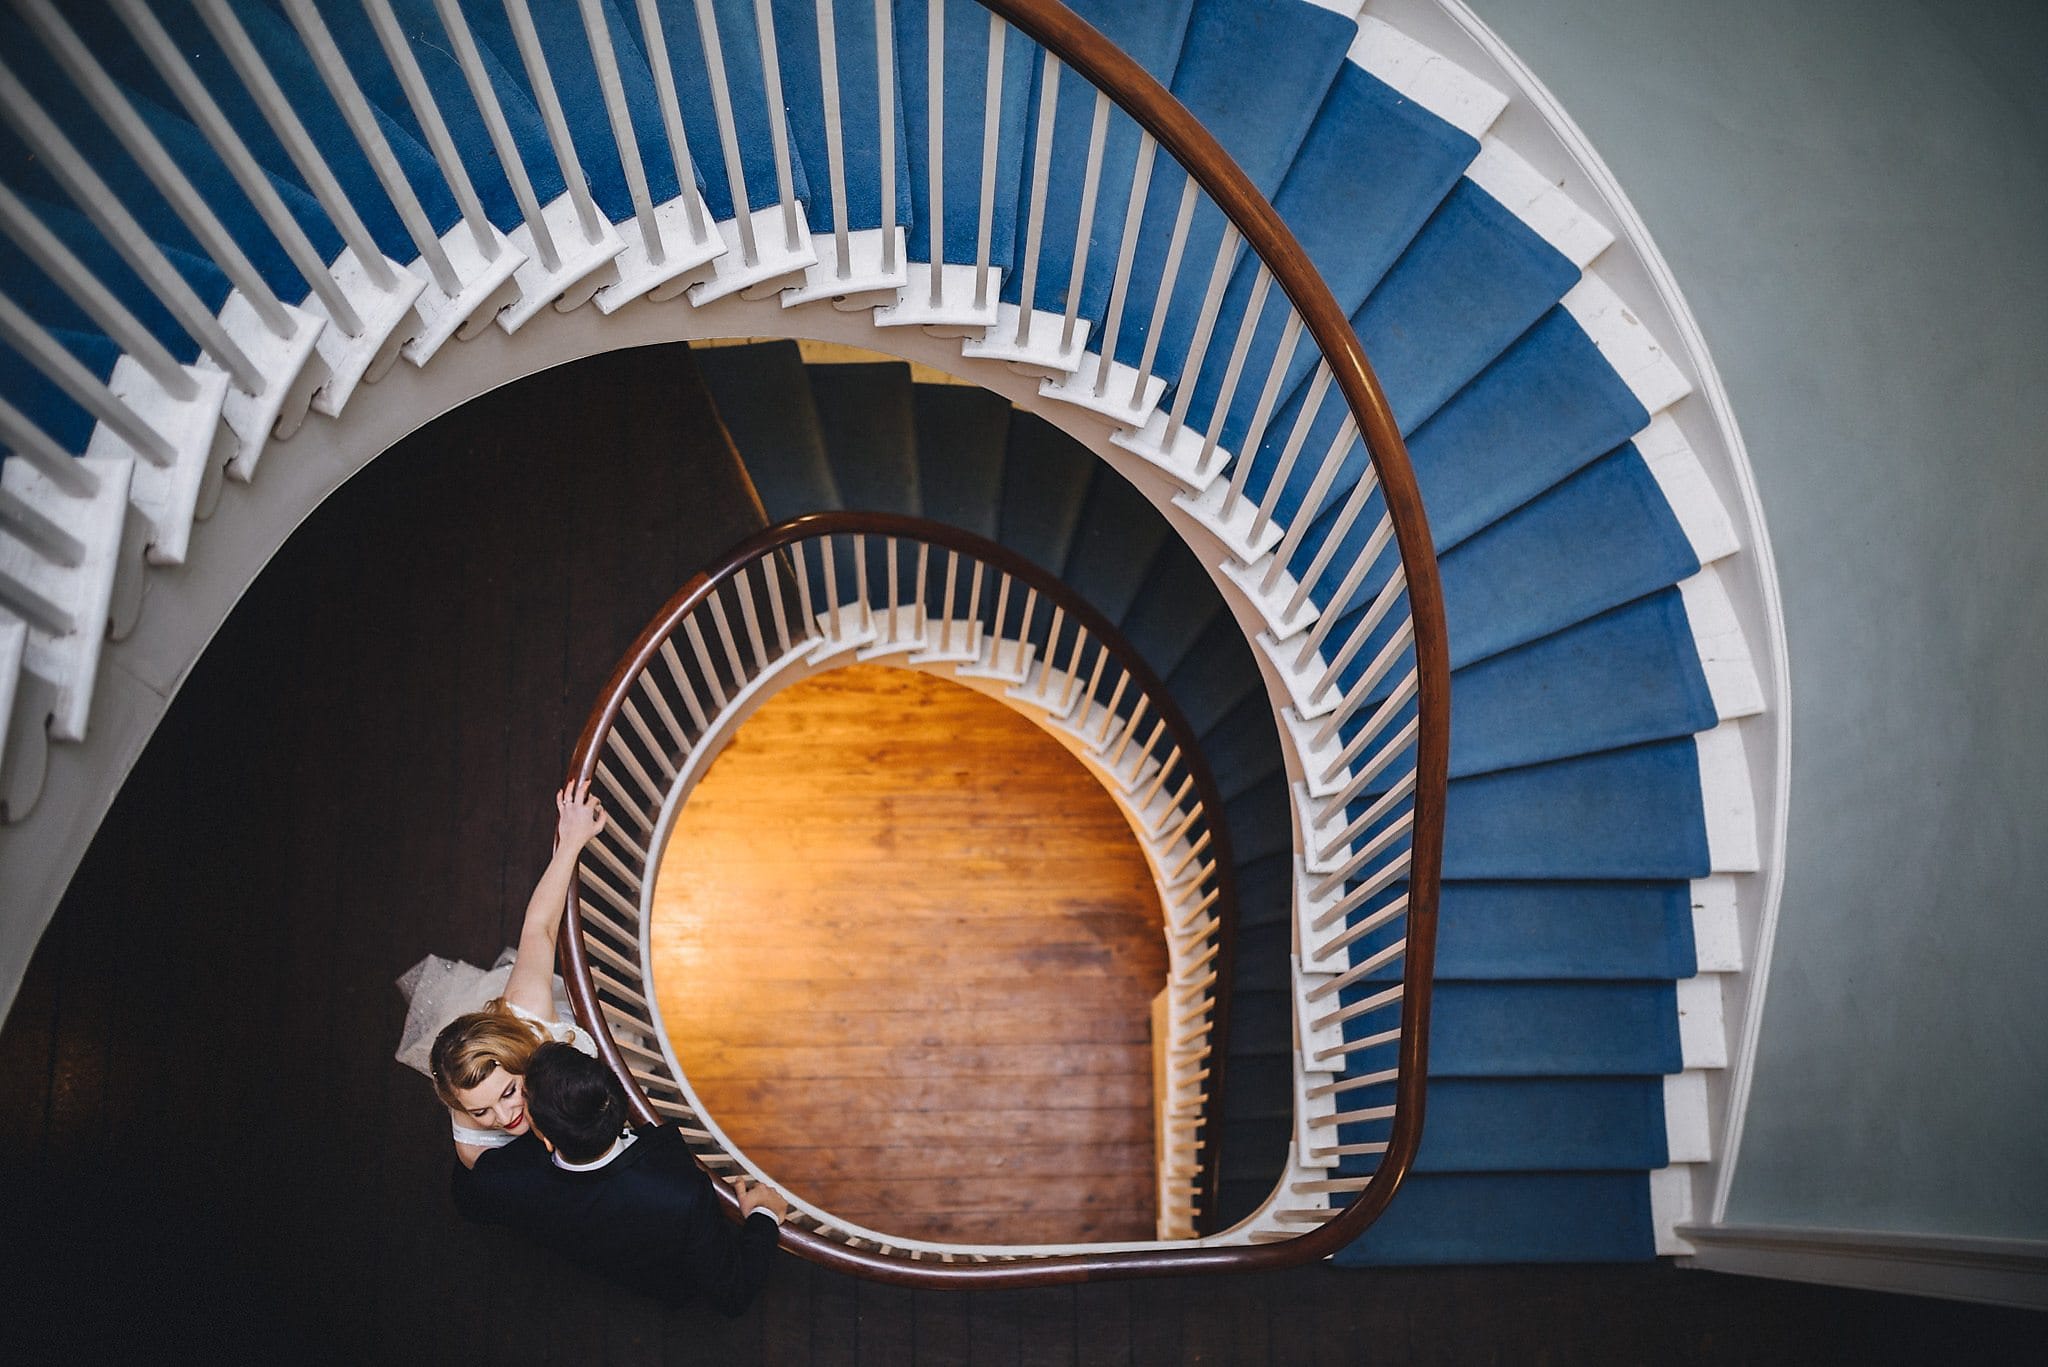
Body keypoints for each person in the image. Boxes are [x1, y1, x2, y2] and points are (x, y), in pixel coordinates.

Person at [451, 1041, 789, 1313]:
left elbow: (470, 1198)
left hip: (613, 1265)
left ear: (549, 1139)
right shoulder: (680, 1192)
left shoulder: (505, 1180)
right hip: (667, 1279)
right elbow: (733, 1292)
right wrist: (764, 1215)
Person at [394, 780, 608, 1167]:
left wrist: (572, 839)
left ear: (517, 1056)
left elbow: (540, 928)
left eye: (509, 1091)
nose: (503, 1117)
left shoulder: (526, 1011)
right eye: (481, 1112)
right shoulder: (478, 1152)